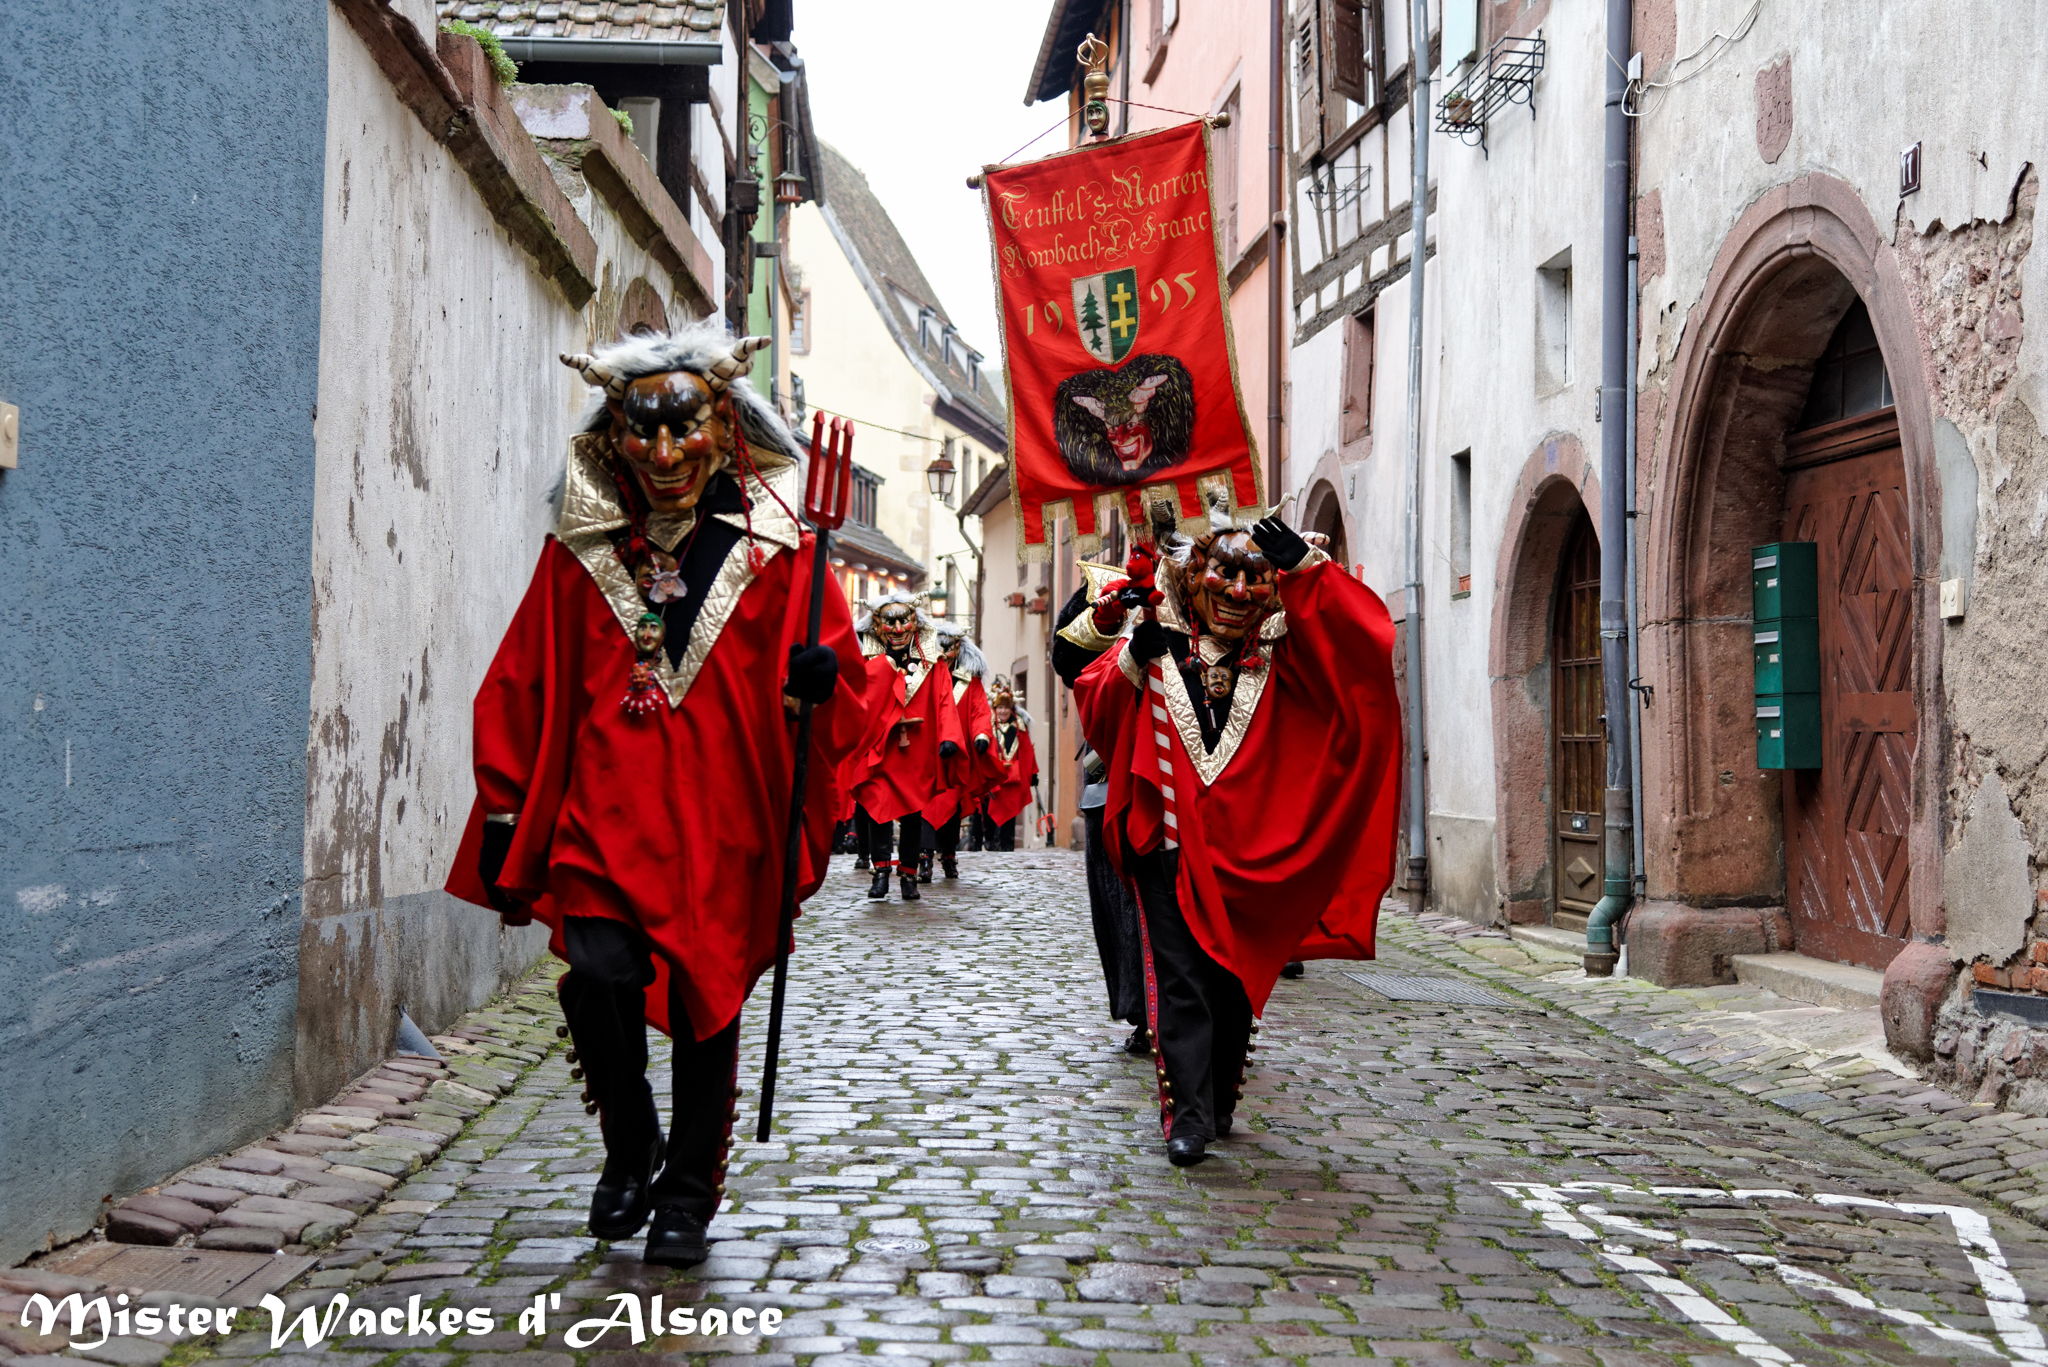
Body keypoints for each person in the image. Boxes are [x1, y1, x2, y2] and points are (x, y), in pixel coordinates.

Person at [444, 326, 868, 1267]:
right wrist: (504, 804)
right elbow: (522, 676)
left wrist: (818, 682)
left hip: (722, 819)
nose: (666, 452)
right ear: (615, 435)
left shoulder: (781, 553)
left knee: (709, 1000)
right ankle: (631, 1139)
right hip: (604, 812)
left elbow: (840, 697)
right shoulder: (581, 551)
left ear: (724, 428)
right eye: (645, 430)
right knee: (597, 974)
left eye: (685, 428)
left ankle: (688, 1190)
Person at [1073, 506, 1400, 1167]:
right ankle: (1187, 1118)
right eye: (1225, 573)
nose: (1239, 591)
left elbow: (1360, 655)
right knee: (1181, 977)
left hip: (1251, 846)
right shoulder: (1158, 642)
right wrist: (1132, 655)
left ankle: (1219, 1094)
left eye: (1255, 577)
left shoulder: (1283, 652)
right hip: (1166, 841)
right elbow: (1095, 701)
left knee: (1229, 977)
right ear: (1195, 576)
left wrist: (1309, 572)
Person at [1053, 578, 1149, 1055]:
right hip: (1113, 771)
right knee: (1119, 903)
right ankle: (1142, 1010)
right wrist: (1105, 613)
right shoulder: (1108, 588)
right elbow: (1068, 662)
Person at [844, 591, 961, 902]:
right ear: (877, 625)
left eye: (903, 621)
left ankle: (908, 876)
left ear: (914, 623)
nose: (897, 629)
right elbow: (857, 702)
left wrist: (949, 736)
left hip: (916, 752)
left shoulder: (932, 663)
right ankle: (880, 874)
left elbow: (945, 700)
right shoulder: (868, 663)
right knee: (878, 809)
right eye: (889, 622)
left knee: (912, 815)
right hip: (880, 750)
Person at [917, 627, 1003, 881]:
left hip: (957, 756)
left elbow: (979, 710)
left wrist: (982, 735)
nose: (945, 653)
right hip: (928, 754)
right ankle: (924, 858)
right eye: (940, 648)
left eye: (950, 648)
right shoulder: (924, 675)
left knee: (951, 806)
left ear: (958, 648)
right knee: (925, 805)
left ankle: (948, 855)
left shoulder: (969, 681)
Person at [979, 676, 1039, 850]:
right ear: (995, 708)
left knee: (1010, 811)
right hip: (994, 777)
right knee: (989, 809)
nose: (1003, 711)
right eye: (1000, 707)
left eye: (1006, 707)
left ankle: (1007, 845)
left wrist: (1033, 773)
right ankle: (991, 841)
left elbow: (1027, 751)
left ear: (1011, 709)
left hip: (1012, 778)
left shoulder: (1019, 727)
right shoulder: (988, 726)